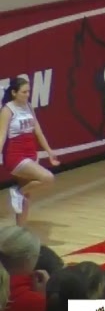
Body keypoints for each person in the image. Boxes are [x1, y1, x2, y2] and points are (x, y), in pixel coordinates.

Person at [1, 77, 58, 227]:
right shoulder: (7, 110)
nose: (27, 94)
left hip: (31, 153)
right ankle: (17, 192)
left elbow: (38, 132)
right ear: (14, 92)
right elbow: (1, 135)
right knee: (48, 178)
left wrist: (49, 151)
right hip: (15, 156)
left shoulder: (28, 106)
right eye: (24, 92)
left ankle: (20, 233)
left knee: (26, 197)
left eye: (29, 91)